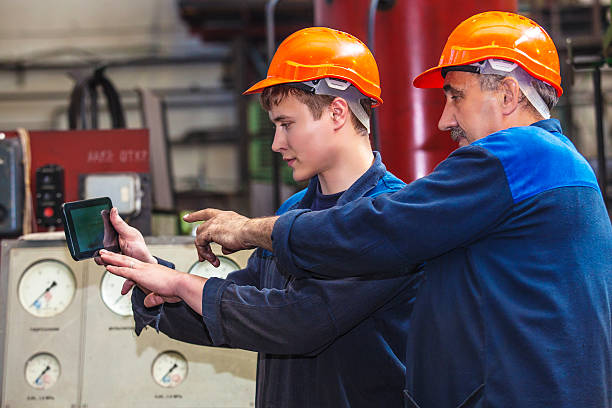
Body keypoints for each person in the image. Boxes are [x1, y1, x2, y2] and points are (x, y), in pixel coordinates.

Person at [186, 12, 612, 408]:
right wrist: (164, 283)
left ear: (507, 93)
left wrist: (251, 231)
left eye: (455, 97)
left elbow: (382, 227)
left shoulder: (516, 155)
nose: (444, 120)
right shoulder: (561, 165)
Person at [100, 27, 422, 407]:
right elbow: (241, 312)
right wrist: (150, 272)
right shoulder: (291, 213)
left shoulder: (393, 217)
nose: (276, 143)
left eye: (287, 124)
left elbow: (300, 322)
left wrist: (183, 284)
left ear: (337, 111)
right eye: (275, 126)